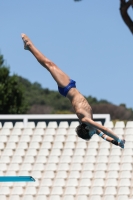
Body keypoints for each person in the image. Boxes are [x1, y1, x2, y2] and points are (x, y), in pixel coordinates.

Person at [21, 33, 125, 149]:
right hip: (70, 87)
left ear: (86, 129)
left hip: (67, 88)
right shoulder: (90, 124)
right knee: (50, 65)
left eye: (90, 134)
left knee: (49, 65)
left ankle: (29, 46)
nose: (93, 133)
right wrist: (117, 142)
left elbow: (104, 129)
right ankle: (29, 47)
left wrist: (119, 138)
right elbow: (104, 136)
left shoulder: (85, 119)